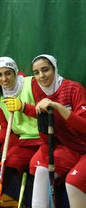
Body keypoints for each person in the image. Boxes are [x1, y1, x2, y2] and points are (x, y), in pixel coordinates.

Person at [0, 57, 42, 208]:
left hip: (43, 139)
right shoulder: (0, 96)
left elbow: (45, 111)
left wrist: (23, 106)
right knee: (5, 161)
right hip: (24, 141)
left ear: (15, 72)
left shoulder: (32, 83)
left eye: (8, 73)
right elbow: (4, 126)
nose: (4, 78)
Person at [28, 55, 86, 208]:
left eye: (45, 70)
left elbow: (84, 126)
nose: (41, 76)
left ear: (55, 68)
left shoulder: (74, 88)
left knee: (73, 182)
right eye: (36, 72)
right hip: (68, 148)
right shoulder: (37, 89)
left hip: (84, 149)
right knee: (41, 170)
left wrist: (58, 107)